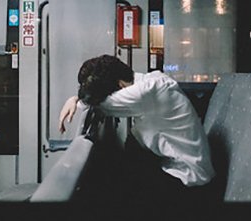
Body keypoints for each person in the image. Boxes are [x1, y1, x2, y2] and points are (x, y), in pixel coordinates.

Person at [59, 54, 216, 218]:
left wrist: (76, 100)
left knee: (108, 197)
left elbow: (98, 105)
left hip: (189, 182)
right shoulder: (152, 80)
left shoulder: (146, 91)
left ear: (120, 85)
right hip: (178, 171)